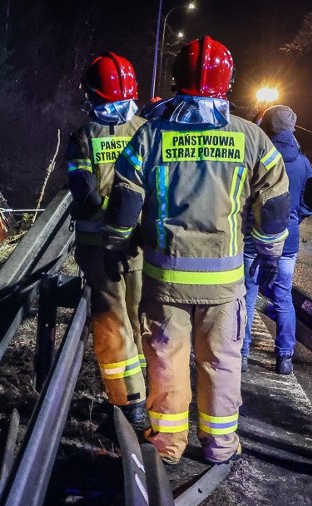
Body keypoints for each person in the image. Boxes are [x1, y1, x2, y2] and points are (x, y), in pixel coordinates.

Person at [101, 36, 290, 465]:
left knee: (166, 362)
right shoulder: (252, 138)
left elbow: (125, 201)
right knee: (221, 363)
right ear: (229, 82)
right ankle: (220, 445)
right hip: (224, 284)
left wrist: (116, 242)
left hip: (166, 281)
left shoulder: (151, 135)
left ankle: (167, 446)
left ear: (175, 79)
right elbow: (276, 202)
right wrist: (266, 248)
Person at [65, 52, 148, 429]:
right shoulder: (148, 131)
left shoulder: (83, 137)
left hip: (98, 249)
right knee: (141, 316)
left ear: (93, 95)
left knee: (113, 322)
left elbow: (83, 197)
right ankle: (153, 392)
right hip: (143, 245)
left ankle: (129, 403)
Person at [243, 105, 312, 375]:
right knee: (283, 296)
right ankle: (284, 358)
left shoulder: (261, 152)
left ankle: (243, 354)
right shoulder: (304, 161)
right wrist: (297, 216)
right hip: (289, 241)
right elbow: (309, 200)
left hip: (254, 235)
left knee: (248, 292)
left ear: (269, 125)